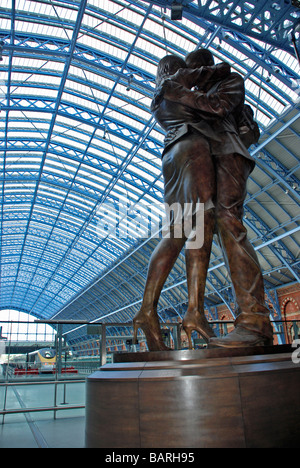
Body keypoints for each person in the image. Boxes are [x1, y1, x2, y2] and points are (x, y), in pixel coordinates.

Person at [160, 49, 273, 348]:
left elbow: (218, 107)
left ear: (207, 68)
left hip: (229, 154)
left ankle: (255, 320)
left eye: (197, 71)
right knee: (212, 225)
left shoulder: (231, 81)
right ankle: (249, 317)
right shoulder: (196, 94)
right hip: (210, 155)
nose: (195, 80)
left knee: (229, 223)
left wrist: (177, 93)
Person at [133, 54, 229, 350]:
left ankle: (155, 309)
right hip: (192, 150)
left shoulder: (161, 98)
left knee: (182, 227)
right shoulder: (176, 84)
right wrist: (214, 71)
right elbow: (208, 75)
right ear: (176, 70)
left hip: (172, 156)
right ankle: (188, 310)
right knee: (199, 223)